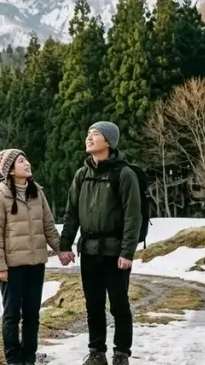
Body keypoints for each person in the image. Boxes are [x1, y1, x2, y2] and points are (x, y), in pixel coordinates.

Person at [58, 121, 142, 365]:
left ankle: (121, 354)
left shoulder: (123, 174)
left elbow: (132, 217)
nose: (89, 138)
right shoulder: (81, 175)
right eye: (88, 134)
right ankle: (97, 352)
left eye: (95, 134)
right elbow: (71, 213)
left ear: (109, 141)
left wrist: (128, 252)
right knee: (93, 305)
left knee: (119, 305)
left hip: (115, 252)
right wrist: (65, 245)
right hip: (89, 251)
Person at [0, 148, 61, 365]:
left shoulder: (37, 192)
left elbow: (48, 225)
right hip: (11, 267)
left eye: (26, 159)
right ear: (10, 170)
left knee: (32, 314)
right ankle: (13, 360)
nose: (27, 163)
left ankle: (29, 358)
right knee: (11, 315)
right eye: (21, 161)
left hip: (36, 263)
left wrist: (61, 250)